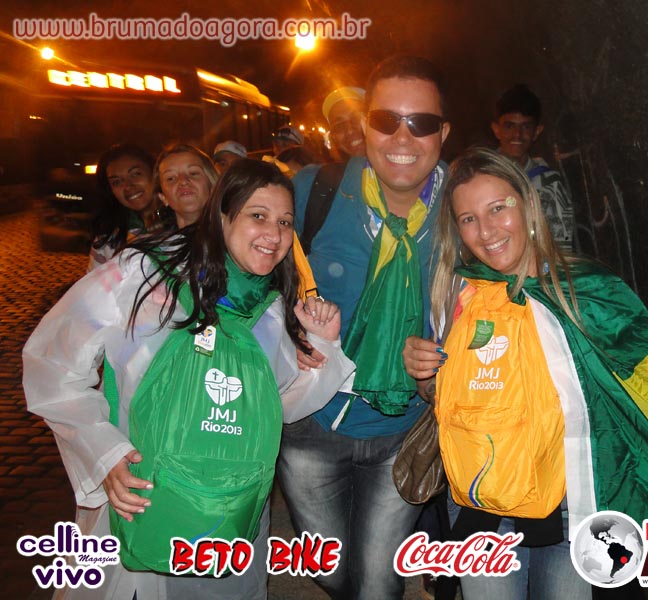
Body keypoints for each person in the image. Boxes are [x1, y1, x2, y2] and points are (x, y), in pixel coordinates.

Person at [403, 147, 648, 599]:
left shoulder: (588, 292)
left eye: (498, 208)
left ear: (527, 205)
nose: (486, 231)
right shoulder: (458, 293)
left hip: (572, 513)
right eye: (468, 219)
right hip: (484, 511)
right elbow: (446, 401)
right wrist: (424, 375)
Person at [23, 159, 356, 600]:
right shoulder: (143, 275)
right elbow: (53, 362)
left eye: (285, 222)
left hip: (227, 515)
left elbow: (280, 405)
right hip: (138, 497)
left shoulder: (271, 309)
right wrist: (103, 453)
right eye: (258, 215)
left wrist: (324, 344)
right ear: (221, 216)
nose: (274, 235)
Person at [277, 56, 451, 600]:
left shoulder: (464, 209)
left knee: (378, 584)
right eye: (386, 119)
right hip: (310, 425)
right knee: (329, 572)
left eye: (421, 123)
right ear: (366, 124)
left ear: (443, 134)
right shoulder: (315, 191)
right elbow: (246, 264)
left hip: (404, 430)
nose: (402, 136)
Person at [492, 83, 575, 251]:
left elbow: (562, 248)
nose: (517, 134)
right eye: (509, 126)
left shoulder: (549, 184)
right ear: (496, 130)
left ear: (537, 131)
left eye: (526, 127)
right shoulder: (478, 177)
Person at [88, 144, 159, 272]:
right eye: (117, 182)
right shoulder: (107, 241)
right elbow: (94, 282)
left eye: (136, 174)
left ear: (155, 173)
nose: (128, 186)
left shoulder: (183, 223)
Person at [154, 143, 218, 229]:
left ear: (213, 185)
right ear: (163, 197)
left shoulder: (233, 233)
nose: (183, 181)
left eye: (193, 173)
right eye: (171, 178)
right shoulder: (151, 238)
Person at [322, 86, 366, 160]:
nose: (350, 131)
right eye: (339, 126)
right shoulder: (352, 165)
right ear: (334, 137)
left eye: (356, 118)